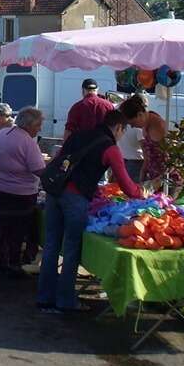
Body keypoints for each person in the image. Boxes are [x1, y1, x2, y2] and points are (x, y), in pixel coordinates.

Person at [37, 110, 142, 313]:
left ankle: (44, 298)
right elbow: (127, 186)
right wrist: (141, 192)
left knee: (51, 245)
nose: (121, 136)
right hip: (76, 197)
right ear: (119, 128)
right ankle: (65, 301)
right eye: (123, 132)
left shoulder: (78, 135)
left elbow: (61, 160)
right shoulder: (110, 147)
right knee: (71, 249)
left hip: (55, 191)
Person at [0, 107, 46, 279]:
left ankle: (0, 262)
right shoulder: (27, 142)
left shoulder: (2, 134)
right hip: (19, 195)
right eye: (38, 125)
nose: (40, 129)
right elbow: (38, 170)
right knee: (16, 232)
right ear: (28, 125)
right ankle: (13, 265)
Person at [118, 95, 176, 186]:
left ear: (140, 114)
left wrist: (161, 179)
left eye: (132, 123)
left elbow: (172, 158)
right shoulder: (146, 124)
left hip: (167, 181)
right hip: (154, 178)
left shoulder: (158, 126)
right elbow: (148, 156)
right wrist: (143, 172)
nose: (132, 126)